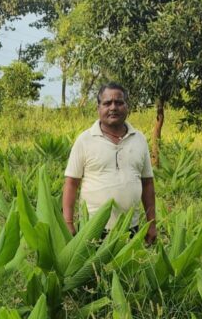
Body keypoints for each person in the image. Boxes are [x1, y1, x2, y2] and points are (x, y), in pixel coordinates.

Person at [62, 82, 157, 244]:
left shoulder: (139, 139)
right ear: (98, 108)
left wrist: (152, 223)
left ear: (127, 107)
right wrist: (68, 223)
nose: (113, 107)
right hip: (92, 228)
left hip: (130, 226)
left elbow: (147, 183)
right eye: (107, 103)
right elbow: (71, 183)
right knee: (94, 269)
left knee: (128, 269)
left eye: (119, 103)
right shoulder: (85, 140)